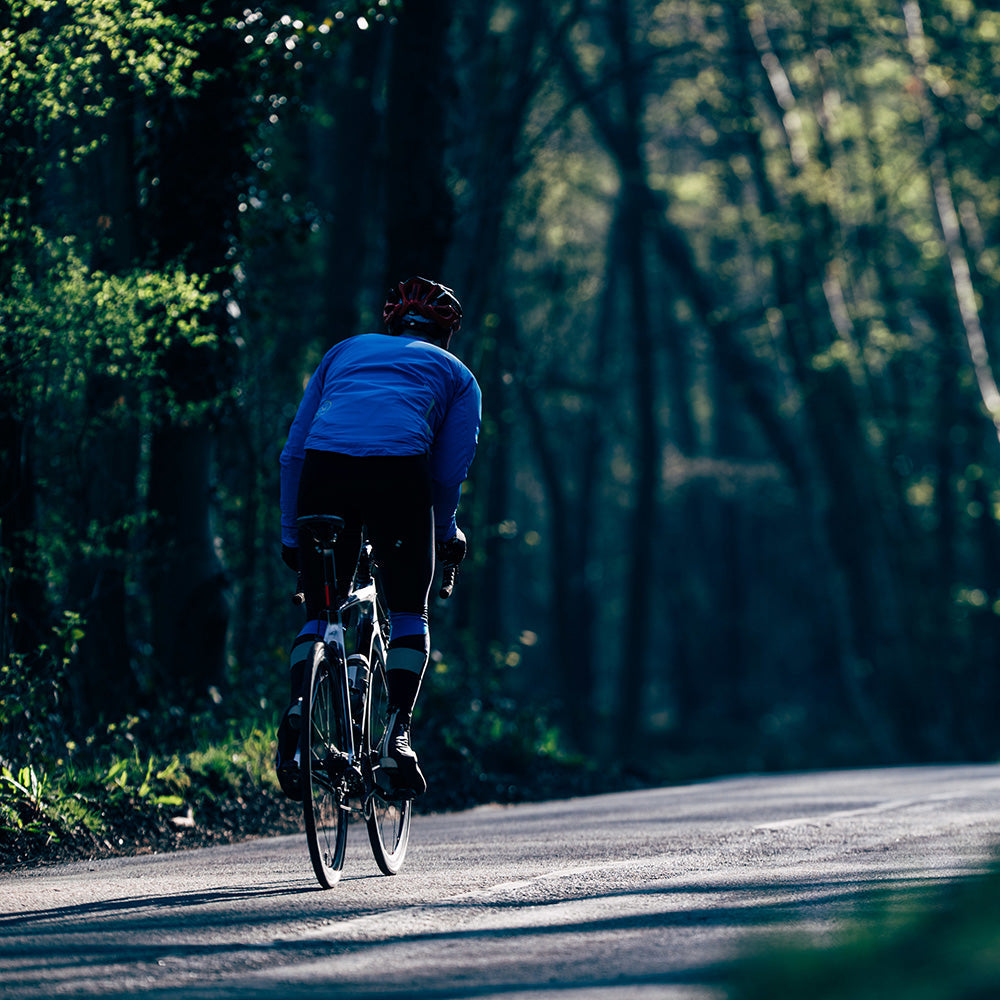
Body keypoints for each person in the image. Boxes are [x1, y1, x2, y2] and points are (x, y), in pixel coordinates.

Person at [276, 276, 481, 800]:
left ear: (390, 324)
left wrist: (289, 535)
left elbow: (293, 453)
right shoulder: (458, 376)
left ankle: (300, 709)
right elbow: (445, 475)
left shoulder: (343, 351)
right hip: (398, 476)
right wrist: (443, 534)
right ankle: (397, 738)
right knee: (410, 611)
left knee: (320, 613)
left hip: (324, 472)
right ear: (444, 335)